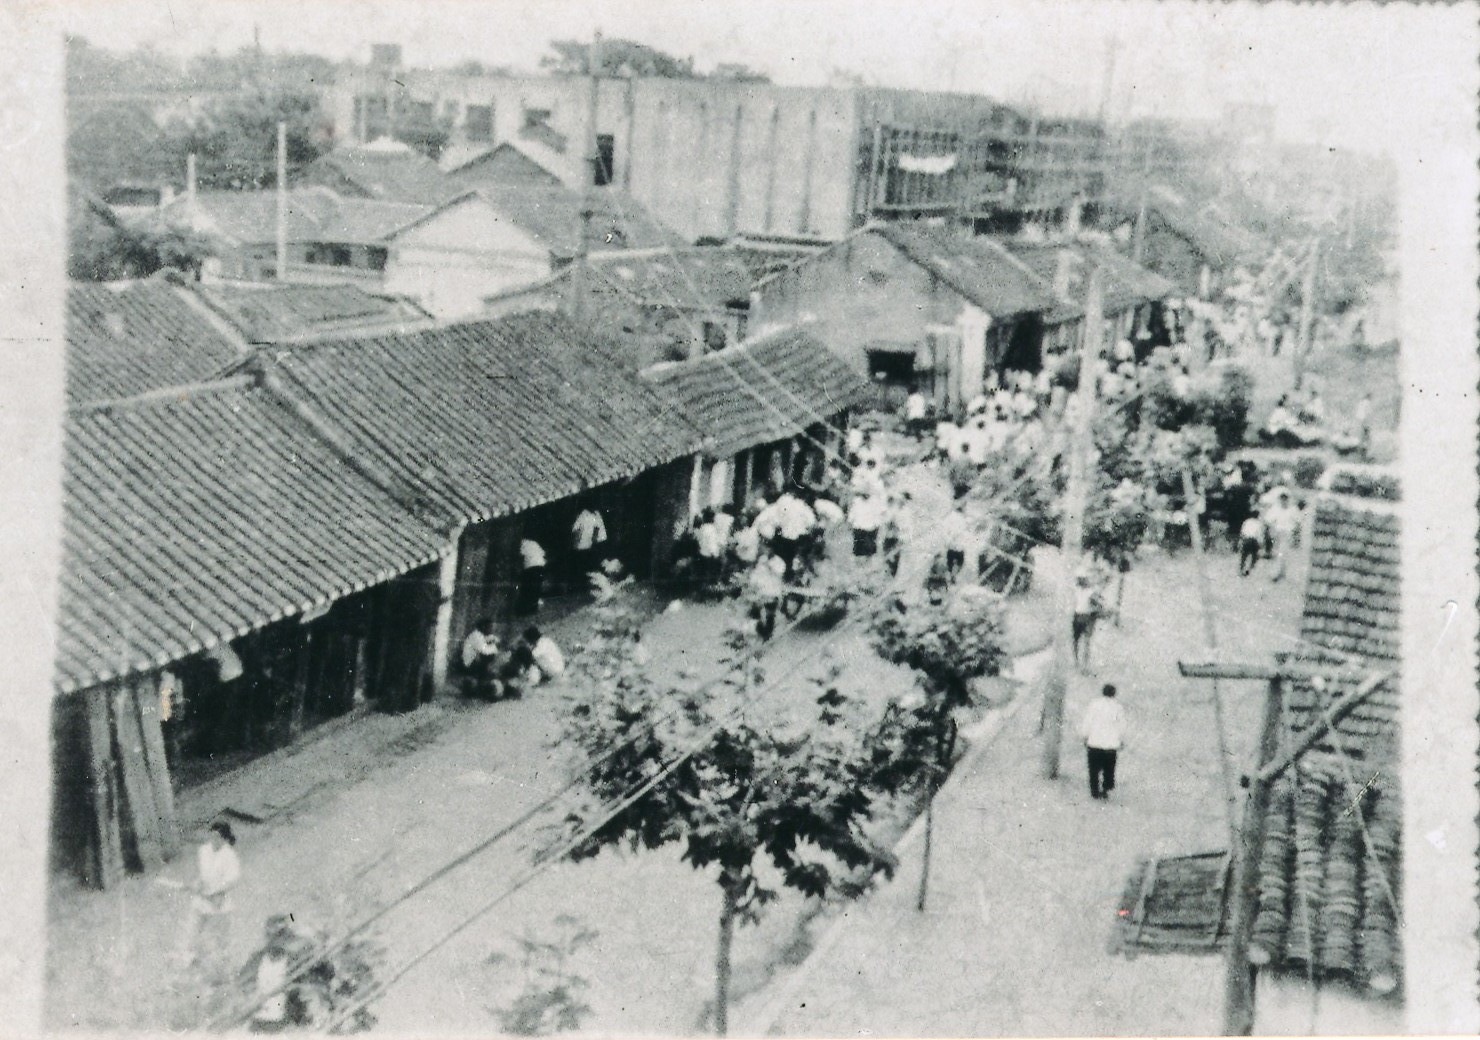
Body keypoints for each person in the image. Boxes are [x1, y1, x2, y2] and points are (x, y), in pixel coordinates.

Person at [177, 821, 241, 969]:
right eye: (212, 836)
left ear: (224, 838)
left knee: (221, 935)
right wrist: (198, 884)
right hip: (202, 898)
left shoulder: (229, 855)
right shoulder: (204, 850)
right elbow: (202, 874)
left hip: (219, 900)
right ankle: (189, 956)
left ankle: (225, 961)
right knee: (193, 927)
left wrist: (216, 893)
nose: (214, 840)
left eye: (217, 837)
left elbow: (232, 880)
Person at [754, 487, 816, 578]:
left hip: (784, 537)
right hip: (798, 537)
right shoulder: (800, 505)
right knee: (793, 557)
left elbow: (764, 520)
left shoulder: (775, 508)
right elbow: (811, 521)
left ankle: (787, 573)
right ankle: (794, 574)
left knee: (786, 557)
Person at [1081, 683, 1126, 801]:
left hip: (1095, 742)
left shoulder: (1094, 704)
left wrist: (1085, 735)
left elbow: (1088, 721)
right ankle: (1106, 788)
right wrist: (1121, 739)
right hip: (1110, 744)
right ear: (1114, 693)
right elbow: (1122, 725)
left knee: (1094, 768)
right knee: (1109, 768)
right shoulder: (1118, 707)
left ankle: (1094, 790)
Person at [249, 926, 292, 1033]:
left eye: (279, 937)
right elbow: (245, 986)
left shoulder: (290, 960)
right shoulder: (258, 958)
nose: (276, 941)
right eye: (272, 937)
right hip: (257, 1017)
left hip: (278, 1019)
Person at [459, 618, 504, 699]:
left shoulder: (480, 635)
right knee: (490, 659)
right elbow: (485, 651)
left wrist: (494, 641)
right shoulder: (476, 636)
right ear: (484, 627)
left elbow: (493, 638)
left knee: (492, 660)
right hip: (470, 663)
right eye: (490, 627)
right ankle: (483, 687)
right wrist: (495, 647)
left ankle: (485, 685)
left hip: (474, 661)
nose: (491, 630)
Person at [749, 552, 786, 640]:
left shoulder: (777, 562)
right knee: (755, 610)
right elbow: (755, 575)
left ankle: (767, 633)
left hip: (772, 592)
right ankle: (758, 629)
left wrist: (770, 568)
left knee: (770, 613)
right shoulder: (762, 560)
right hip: (763, 592)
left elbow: (780, 573)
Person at [1264, 490, 1300, 582]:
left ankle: (1279, 573)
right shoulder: (1275, 509)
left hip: (1288, 533)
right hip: (1277, 533)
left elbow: (1298, 522)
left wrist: (1296, 534)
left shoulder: (1293, 509)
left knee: (1284, 553)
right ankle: (1278, 573)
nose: (1284, 501)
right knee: (1278, 553)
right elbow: (1268, 521)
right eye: (1282, 499)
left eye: (1285, 499)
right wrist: (1272, 530)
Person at [570, 507, 609, 586]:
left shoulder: (594, 514)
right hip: (585, 546)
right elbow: (576, 531)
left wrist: (593, 543)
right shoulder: (585, 514)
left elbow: (596, 531)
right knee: (585, 565)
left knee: (589, 565)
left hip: (590, 545)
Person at [1071, 570, 1100, 673]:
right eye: (1079, 579)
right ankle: (1076, 662)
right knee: (1076, 641)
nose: (1080, 581)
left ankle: (1084, 664)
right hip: (1078, 615)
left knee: (1085, 642)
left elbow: (1097, 605)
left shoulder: (1091, 592)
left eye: (1082, 579)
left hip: (1086, 617)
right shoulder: (1077, 590)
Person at [848, 491, 886, 558]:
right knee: (858, 550)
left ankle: (868, 562)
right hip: (859, 528)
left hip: (870, 529)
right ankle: (859, 562)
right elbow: (852, 514)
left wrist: (877, 525)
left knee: (869, 551)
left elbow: (879, 515)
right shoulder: (856, 501)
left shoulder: (875, 501)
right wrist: (850, 522)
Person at [516, 537, 547, 617]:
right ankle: (533, 609)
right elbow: (543, 553)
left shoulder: (522, 544)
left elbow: (520, 556)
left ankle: (525, 610)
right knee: (536, 588)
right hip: (540, 565)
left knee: (527, 588)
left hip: (530, 567)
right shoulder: (534, 543)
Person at [1238, 511, 1265, 577]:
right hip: (1254, 540)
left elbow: (1242, 532)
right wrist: (1261, 543)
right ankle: (1249, 569)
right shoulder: (1259, 523)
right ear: (1258, 516)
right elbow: (1260, 535)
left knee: (1244, 556)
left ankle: (1241, 569)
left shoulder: (1246, 522)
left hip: (1246, 539)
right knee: (1254, 556)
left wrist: (1241, 541)